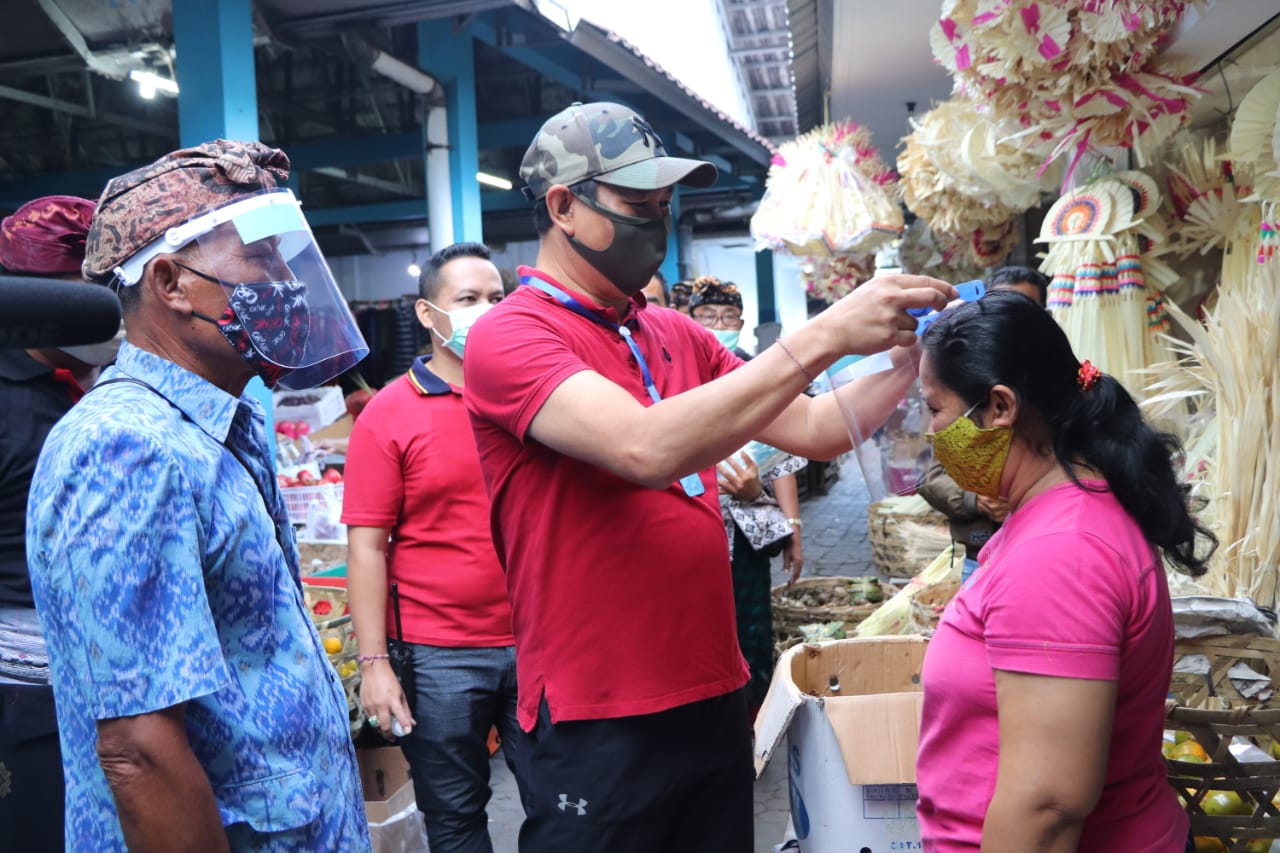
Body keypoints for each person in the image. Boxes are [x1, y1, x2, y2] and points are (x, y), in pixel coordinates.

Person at [463, 100, 954, 852]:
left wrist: (908, 362)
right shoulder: (512, 335)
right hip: (600, 713)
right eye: (637, 205)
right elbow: (644, 448)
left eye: (665, 205)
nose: (656, 223)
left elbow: (815, 428)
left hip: (713, 690)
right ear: (562, 206)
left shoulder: (672, 332)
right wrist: (825, 332)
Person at [25, 140, 371, 851]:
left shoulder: (212, 427)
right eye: (262, 259)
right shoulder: (124, 447)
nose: (287, 283)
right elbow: (138, 750)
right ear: (171, 282)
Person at [914, 290, 1214, 852]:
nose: (932, 434)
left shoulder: (1061, 554)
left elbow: (1047, 807)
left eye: (935, 409)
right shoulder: (1058, 512)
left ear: (999, 407)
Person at [342, 241, 519, 853]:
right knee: (455, 816)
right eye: (467, 299)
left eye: (496, 297)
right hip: (438, 654)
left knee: (569, 803)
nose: (486, 310)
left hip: (540, 641)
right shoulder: (389, 413)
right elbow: (367, 547)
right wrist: (375, 665)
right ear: (426, 313)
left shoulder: (532, 399)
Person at [0, 194, 103, 852]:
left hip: (93, 668)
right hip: (23, 691)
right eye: (88, 294)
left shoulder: (90, 380)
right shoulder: (9, 405)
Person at [915, 266, 1049, 580]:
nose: (1009, 319)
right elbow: (927, 474)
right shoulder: (957, 383)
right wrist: (976, 500)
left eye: (1022, 309)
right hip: (978, 550)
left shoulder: (1055, 388)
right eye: (1000, 305)